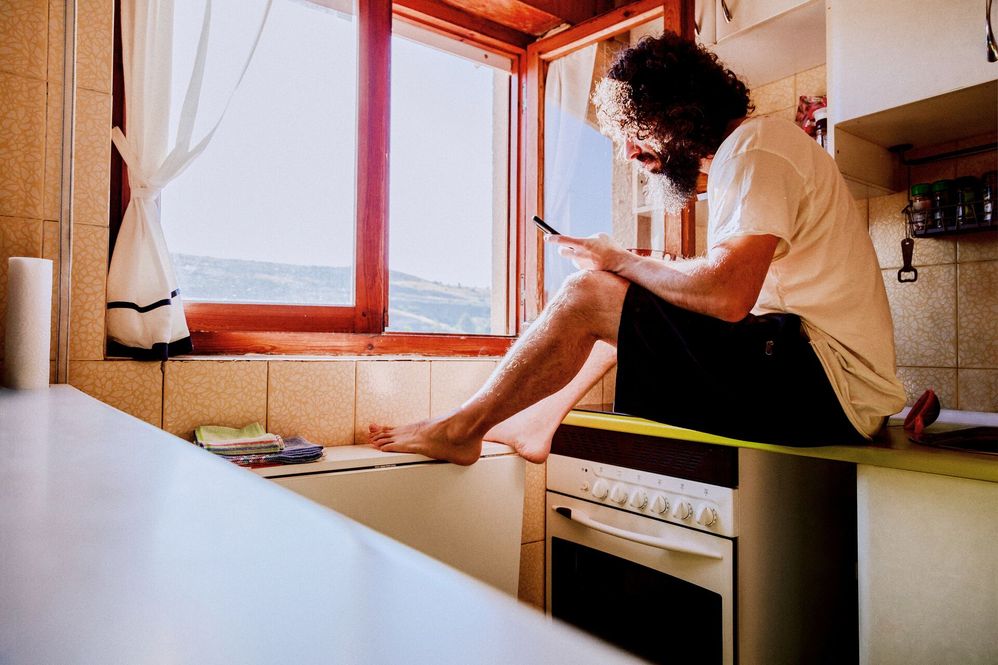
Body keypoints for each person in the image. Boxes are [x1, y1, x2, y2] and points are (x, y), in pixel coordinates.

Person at [369, 32, 905, 465]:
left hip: (827, 386)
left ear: (678, 113)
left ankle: (461, 429)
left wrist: (619, 260)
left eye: (635, 129)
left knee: (587, 292)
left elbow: (727, 295)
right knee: (618, 290)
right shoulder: (754, 151)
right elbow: (729, 291)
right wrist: (632, 272)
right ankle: (535, 424)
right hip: (819, 380)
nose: (630, 150)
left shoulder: (755, 150)